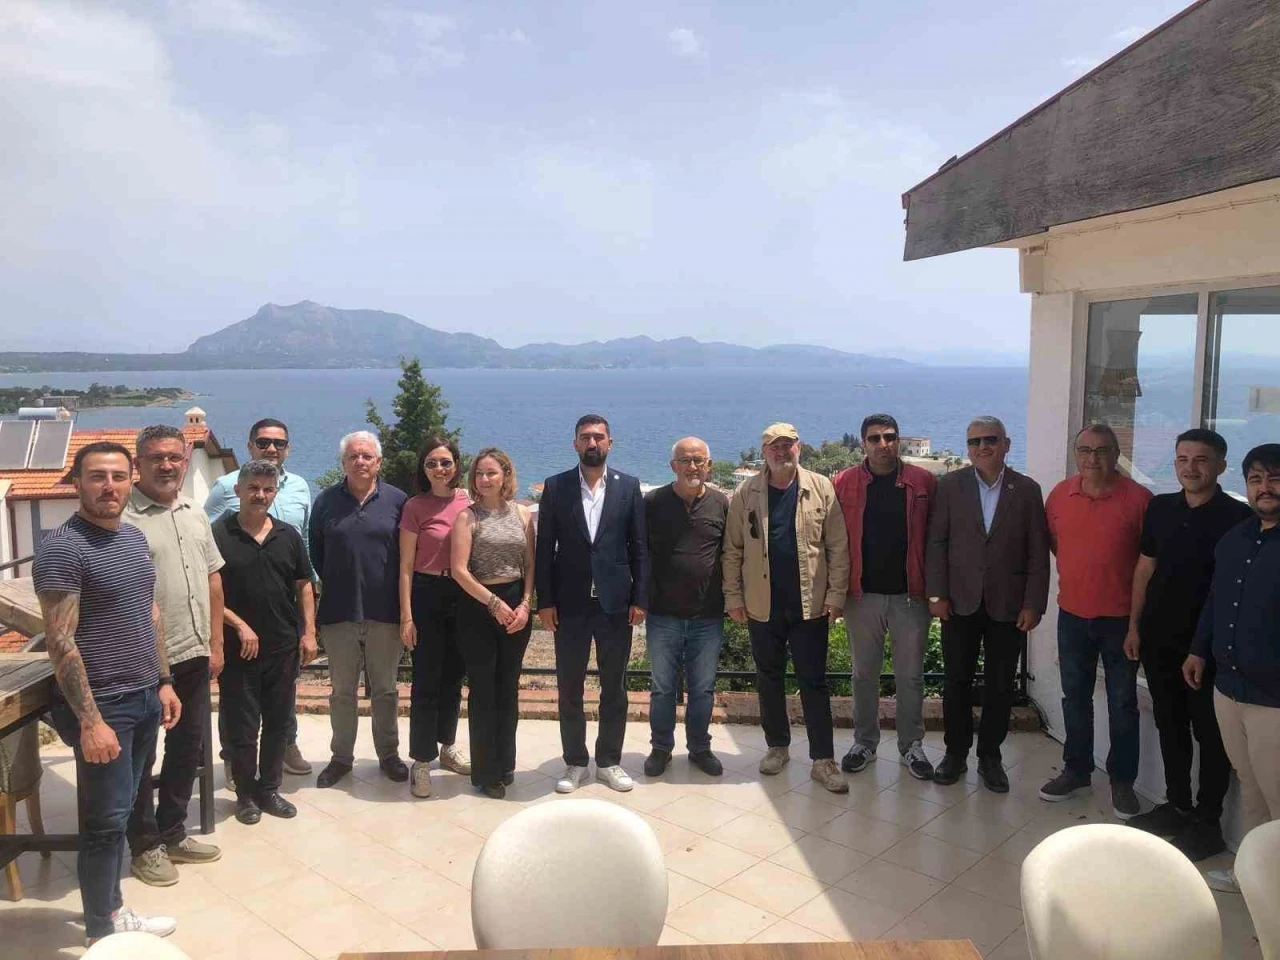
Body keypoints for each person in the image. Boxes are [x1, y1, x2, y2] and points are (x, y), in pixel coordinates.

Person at [33, 441, 183, 945]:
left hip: (143, 696)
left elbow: (149, 613)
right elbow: (60, 640)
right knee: (104, 823)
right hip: (104, 706)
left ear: (131, 479)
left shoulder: (134, 539)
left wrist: (163, 681)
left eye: (119, 476)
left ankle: (112, 911)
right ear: (77, 483)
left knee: (123, 811)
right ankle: (102, 930)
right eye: (97, 476)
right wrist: (91, 722)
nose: (109, 486)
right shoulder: (64, 548)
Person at [1124, 430, 1250, 860]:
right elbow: (1145, 569)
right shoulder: (1160, 508)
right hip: (1159, 639)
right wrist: (1134, 626)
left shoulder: (1238, 518)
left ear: (1220, 465)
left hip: (1208, 648)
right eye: (1182, 459)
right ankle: (1177, 806)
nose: (1190, 468)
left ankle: (1207, 822)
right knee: (1170, 723)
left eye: (1201, 459)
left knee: (1210, 734)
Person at [122, 425, 226, 887]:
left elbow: (213, 576)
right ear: (138, 464)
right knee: (141, 759)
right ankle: (145, 847)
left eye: (174, 457)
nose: (167, 466)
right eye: (156, 458)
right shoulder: (124, 519)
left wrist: (216, 642)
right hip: (144, 661)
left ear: (185, 461)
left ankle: (173, 832)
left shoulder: (193, 511)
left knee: (187, 748)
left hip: (193, 652)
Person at [925, 417, 1049, 792]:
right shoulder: (950, 486)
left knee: (1001, 685)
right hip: (959, 600)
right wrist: (936, 594)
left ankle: (990, 757)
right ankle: (955, 753)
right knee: (956, 681)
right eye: (974, 441)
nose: (982, 447)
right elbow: (937, 543)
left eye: (990, 439)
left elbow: (1037, 552)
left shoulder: (1026, 490)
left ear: (1006, 444)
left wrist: (1034, 603)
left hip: (1008, 604)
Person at [724, 423, 850, 793]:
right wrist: (733, 598)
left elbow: (838, 547)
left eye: (787, 445)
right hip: (762, 605)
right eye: (773, 447)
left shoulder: (821, 487)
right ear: (764, 452)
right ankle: (777, 747)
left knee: (814, 682)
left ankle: (823, 760)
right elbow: (732, 550)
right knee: (768, 678)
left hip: (810, 606)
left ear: (799, 448)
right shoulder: (746, 492)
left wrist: (836, 596)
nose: (781, 452)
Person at [1041, 423, 1152, 818]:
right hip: (1072, 615)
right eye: (1085, 450)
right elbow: (1056, 543)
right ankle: (1077, 770)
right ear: (1076, 454)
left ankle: (1122, 782)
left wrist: (1137, 625)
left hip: (1122, 621)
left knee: (1123, 703)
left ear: (1116, 455)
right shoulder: (1060, 495)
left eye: (1102, 450)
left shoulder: (1140, 500)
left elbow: (1150, 565)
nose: (1093, 458)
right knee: (1074, 697)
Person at [535, 415, 648, 794]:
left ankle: (610, 761)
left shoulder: (628, 487)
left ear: (610, 443)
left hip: (616, 604)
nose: (592, 443)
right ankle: (575, 762)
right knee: (570, 687)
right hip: (570, 604)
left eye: (599, 437)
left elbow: (639, 548)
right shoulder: (556, 487)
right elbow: (544, 549)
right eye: (585, 437)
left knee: (615, 687)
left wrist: (640, 598)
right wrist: (545, 602)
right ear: (575, 444)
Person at [1185, 443, 1280, 893]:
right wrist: (1198, 650)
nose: (1265, 488)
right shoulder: (1236, 538)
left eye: (1275, 478)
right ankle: (1255, 878)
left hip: (1273, 699)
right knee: (1251, 785)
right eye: (1256, 479)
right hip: (1228, 688)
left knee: (1277, 793)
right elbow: (1215, 599)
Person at [205, 417, 314, 784]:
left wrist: (308, 628)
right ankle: (239, 773)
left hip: (282, 628)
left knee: (280, 711)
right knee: (240, 714)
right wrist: (234, 625)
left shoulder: (297, 496)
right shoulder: (221, 508)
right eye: (264, 442)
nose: (260, 495)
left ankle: (274, 774)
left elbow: (303, 568)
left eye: (279, 443)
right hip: (238, 633)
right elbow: (207, 567)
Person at [832, 414, 937, 781]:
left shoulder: (922, 482)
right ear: (863, 443)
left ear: (898, 440)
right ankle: (864, 743)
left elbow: (938, 539)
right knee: (863, 675)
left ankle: (912, 746)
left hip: (911, 597)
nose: (883, 444)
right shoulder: (844, 483)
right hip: (861, 597)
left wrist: (936, 591)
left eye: (889, 437)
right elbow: (831, 540)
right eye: (874, 438)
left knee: (911, 677)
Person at [309, 431, 409, 788]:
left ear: (378, 462)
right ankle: (341, 758)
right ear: (343, 462)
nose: (360, 461)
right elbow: (317, 553)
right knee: (342, 692)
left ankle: (389, 755)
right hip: (339, 612)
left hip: (386, 612)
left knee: (385, 690)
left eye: (367, 456)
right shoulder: (326, 501)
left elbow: (407, 556)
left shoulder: (398, 500)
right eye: (353, 456)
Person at [451, 449, 536, 798]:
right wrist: (494, 603)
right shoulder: (467, 517)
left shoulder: (523, 514)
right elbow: (459, 571)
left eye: (491, 473)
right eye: (479, 474)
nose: (484, 479)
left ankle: (505, 763)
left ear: (505, 476)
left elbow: (530, 565)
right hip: (478, 606)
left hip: (516, 606)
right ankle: (486, 773)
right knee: (484, 690)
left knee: (508, 688)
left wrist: (526, 604)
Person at [643, 438, 729, 778]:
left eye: (698, 460)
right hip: (662, 614)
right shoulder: (653, 502)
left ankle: (700, 748)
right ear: (673, 466)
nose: (692, 466)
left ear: (708, 465)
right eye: (685, 460)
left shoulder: (721, 503)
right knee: (663, 688)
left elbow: (731, 553)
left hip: (708, 615)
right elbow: (639, 553)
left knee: (702, 689)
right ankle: (661, 748)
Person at [398, 435, 472, 798]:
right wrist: (406, 616)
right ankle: (422, 760)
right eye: (432, 463)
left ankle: (447, 745)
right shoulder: (415, 506)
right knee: (426, 680)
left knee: (454, 678)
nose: (439, 469)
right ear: (423, 468)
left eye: (445, 462)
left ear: (456, 465)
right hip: (427, 594)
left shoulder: (469, 501)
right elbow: (405, 567)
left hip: (464, 595)